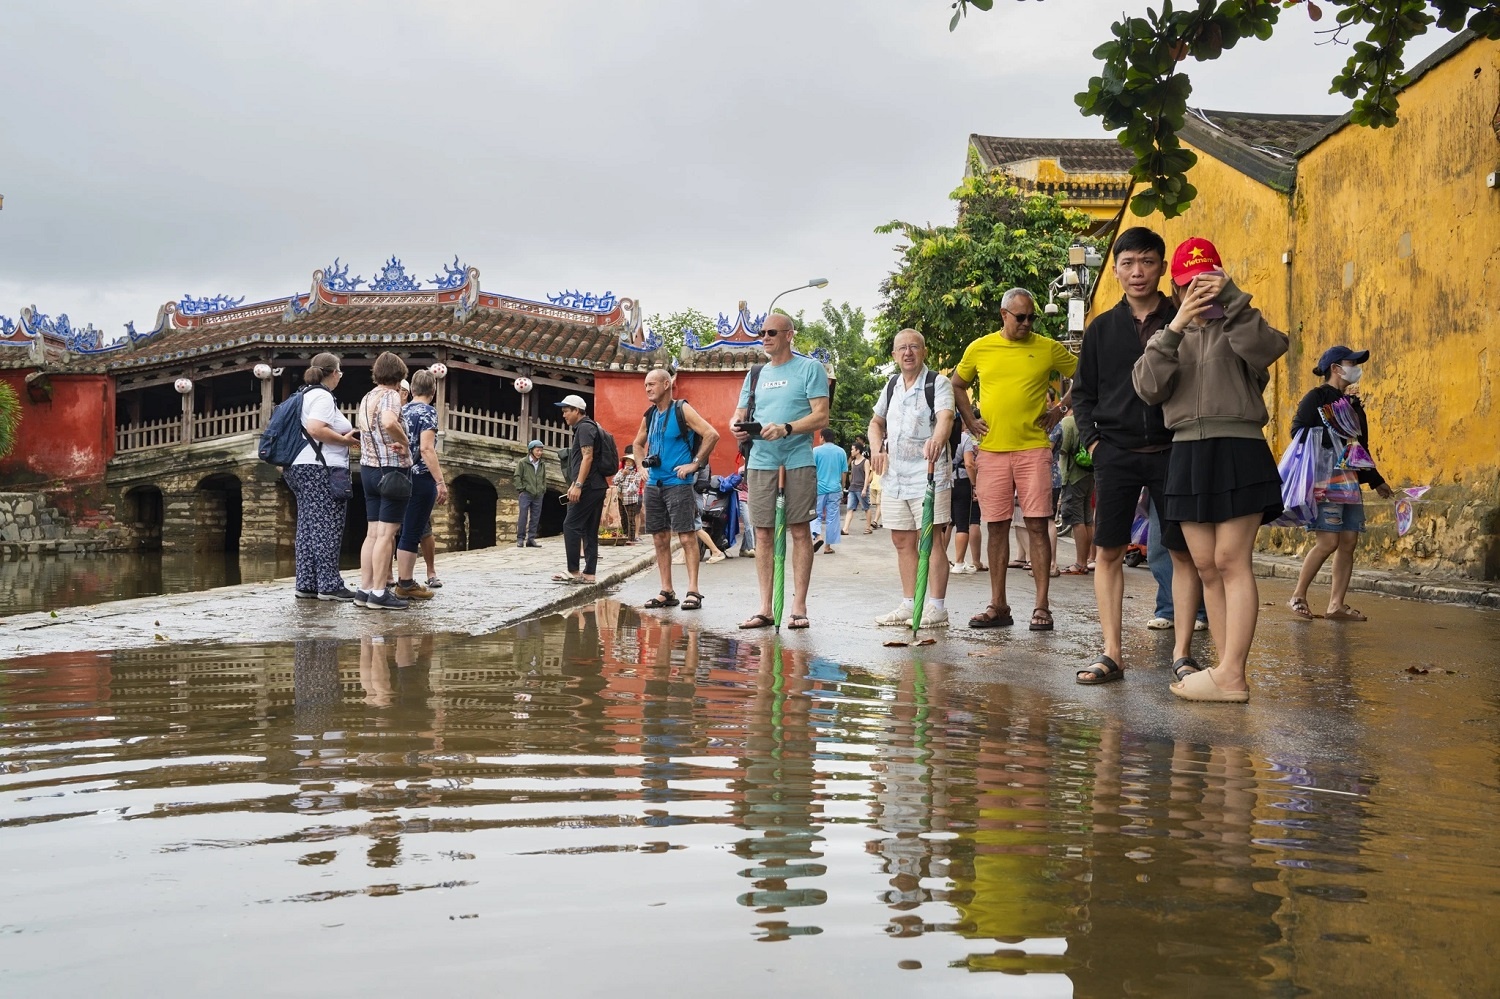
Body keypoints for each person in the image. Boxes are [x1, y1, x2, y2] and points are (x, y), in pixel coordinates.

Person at [1134, 236, 1289, 703]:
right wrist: (1176, 325)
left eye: (1207, 281)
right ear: (1175, 288)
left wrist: (1233, 298)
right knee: (1204, 565)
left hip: (1238, 448)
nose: (1197, 291)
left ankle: (1233, 673)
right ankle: (1224, 670)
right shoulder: (1168, 335)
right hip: (1186, 452)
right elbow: (1147, 387)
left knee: (1230, 560)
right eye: (1188, 284)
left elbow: (1268, 347)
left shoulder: (1241, 325)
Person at [1071, 226, 1203, 684]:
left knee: (1182, 551)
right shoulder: (1101, 329)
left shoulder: (1183, 319)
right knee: (1108, 551)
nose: (1137, 272)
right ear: (1115, 271)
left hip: (1174, 449)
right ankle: (1112, 653)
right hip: (1116, 453)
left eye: (1146, 261)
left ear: (1162, 268)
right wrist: (1094, 444)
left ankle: (1182, 655)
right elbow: (1083, 393)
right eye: (1127, 263)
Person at [950, 288, 1077, 632]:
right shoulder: (980, 347)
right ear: (1003, 314)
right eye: (1020, 317)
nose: (1027, 323)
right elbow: (957, 384)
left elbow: (1084, 374)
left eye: (1032, 317)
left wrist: (1059, 409)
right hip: (992, 451)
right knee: (996, 527)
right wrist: (970, 419)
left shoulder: (1047, 347)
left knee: (1037, 525)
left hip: (1033, 448)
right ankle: (999, 606)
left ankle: (1042, 607)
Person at [730, 312, 830, 630]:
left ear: (789, 335)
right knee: (762, 533)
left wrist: (786, 428)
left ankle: (799, 607)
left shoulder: (810, 368)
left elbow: (821, 416)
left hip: (797, 460)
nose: (765, 337)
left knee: (799, 531)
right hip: (760, 462)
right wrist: (736, 426)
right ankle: (766, 608)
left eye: (771, 332)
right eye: (762, 333)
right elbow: (739, 412)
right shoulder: (756, 374)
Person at [1288, 345, 1393, 621]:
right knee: (1328, 541)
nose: (1356, 368)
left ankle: (1336, 605)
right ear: (1335, 368)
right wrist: (1333, 432)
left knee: (1348, 541)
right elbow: (1297, 431)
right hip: (1325, 480)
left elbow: (1360, 448)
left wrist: (1376, 480)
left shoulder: (1354, 405)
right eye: (1351, 363)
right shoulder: (1316, 397)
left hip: (1350, 482)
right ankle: (1298, 595)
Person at [868, 328, 955, 628]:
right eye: (902, 348)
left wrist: (938, 440)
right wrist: (876, 448)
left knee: (930, 540)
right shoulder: (891, 385)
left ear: (924, 352)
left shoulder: (937, 383)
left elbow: (946, 417)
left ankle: (937, 607)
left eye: (914, 347)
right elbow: (876, 422)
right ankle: (909, 603)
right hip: (895, 477)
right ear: (894, 355)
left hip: (929, 474)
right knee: (902, 540)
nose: (908, 352)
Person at [631, 367, 720, 610]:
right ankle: (667, 590)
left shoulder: (682, 409)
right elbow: (637, 444)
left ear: (666, 384)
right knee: (659, 538)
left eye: (651, 384)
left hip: (679, 484)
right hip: (654, 484)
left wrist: (695, 464)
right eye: (645, 385)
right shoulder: (650, 415)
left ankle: (693, 591)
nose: (647, 389)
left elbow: (711, 434)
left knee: (687, 536)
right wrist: (640, 466)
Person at [286, 352, 359, 601]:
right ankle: (329, 585)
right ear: (334, 373)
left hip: (299, 466)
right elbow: (316, 428)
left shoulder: (302, 394)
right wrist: (345, 440)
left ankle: (306, 583)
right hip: (320, 467)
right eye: (340, 372)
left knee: (308, 525)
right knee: (327, 524)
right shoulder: (323, 396)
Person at [355, 351, 412, 610]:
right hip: (391, 470)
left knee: (372, 533)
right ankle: (379, 593)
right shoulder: (391, 396)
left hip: (368, 469)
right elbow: (389, 422)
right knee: (387, 534)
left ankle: (365, 589)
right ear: (399, 375)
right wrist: (404, 441)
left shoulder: (368, 396)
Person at [394, 369, 447, 600]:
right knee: (413, 531)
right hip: (420, 477)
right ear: (433, 391)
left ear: (412, 389)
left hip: (400, 475)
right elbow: (426, 449)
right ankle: (405, 583)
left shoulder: (401, 410)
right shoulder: (428, 412)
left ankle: (397, 579)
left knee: (399, 529)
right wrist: (440, 481)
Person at [555, 393, 609, 584]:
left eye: (566, 411)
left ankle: (574, 570)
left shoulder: (584, 428)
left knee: (570, 525)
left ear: (577, 411)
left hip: (588, 486)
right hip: (597, 485)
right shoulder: (589, 426)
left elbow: (588, 457)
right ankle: (589, 574)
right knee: (589, 530)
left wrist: (578, 485)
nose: (564, 415)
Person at [1056, 407, 1094, 575]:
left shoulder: (1069, 422)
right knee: (1087, 519)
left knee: (1077, 519)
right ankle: (1087, 559)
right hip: (1089, 474)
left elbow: (1062, 448)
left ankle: (1080, 563)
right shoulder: (1090, 420)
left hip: (1073, 475)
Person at [811, 428, 849, 553]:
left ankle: (817, 536)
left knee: (816, 514)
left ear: (822, 437)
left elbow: (812, 471)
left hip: (819, 489)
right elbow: (844, 472)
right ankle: (827, 547)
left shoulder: (816, 451)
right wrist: (842, 487)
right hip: (835, 489)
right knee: (832, 518)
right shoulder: (841, 452)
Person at [514, 439, 548, 548]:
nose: (539, 453)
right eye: (537, 450)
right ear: (531, 450)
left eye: (541, 450)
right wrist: (521, 489)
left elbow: (543, 478)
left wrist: (543, 489)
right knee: (523, 516)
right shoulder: (522, 462)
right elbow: (517, 476)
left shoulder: (542, 464)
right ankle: (520, 539)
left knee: (535, 517)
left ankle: (531, 539)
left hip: (538, 494)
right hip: (526, 493)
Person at [842, 442, 872, 536]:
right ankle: (845, 529)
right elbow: (852, 475)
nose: (851, 451)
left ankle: (868, 527)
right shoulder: (853, 462)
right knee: (850, 508)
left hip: (861, 488)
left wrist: (865, 488)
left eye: (852, 449)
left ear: (858, 450)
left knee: (866, 507)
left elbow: (867, 476)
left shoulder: (865, 462)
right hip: (853, 488)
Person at [614, 454, 643, 544]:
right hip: (621, 497)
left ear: (634, 463)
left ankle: (631, 538)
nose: (628, 463)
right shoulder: (621, 471)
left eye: (630, 462)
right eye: (626, 461)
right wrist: (623, 475)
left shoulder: (636, 473)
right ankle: (625, 535)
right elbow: (615, 481)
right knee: (623, 517)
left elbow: (636, 485)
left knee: (631, 519)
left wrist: (631, 480)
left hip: (631, 499)